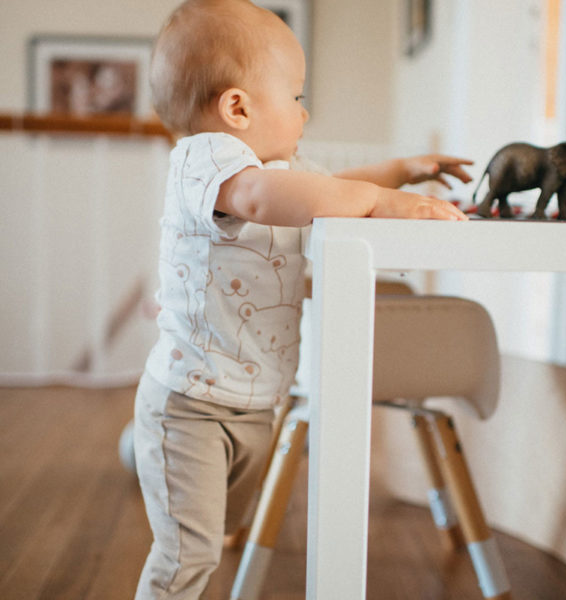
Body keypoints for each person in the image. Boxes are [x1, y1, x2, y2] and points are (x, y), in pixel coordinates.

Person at [133, 0, 472, 597]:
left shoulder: (274, 166)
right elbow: (265, 199)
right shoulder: (207, 161)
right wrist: (379, 202)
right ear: (236, 107)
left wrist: (401, 170)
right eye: (294, 95)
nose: (304, 109)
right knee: (189, 554)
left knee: (219, 530)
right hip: (191, 406)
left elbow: (326, 188)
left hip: (256, 402)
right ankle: (149, 462)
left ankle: (164, 479)